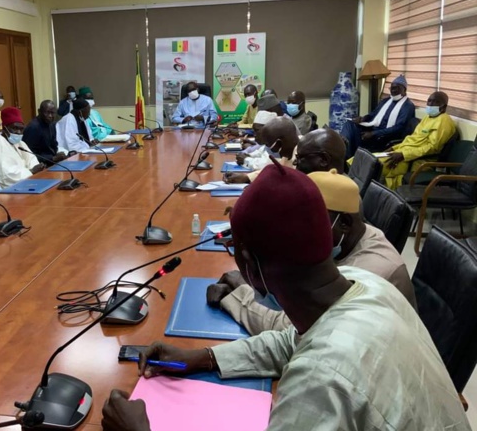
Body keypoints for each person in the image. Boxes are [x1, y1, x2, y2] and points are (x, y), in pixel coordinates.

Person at [102, 165, 468, 431]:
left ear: (248, 263)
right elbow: (292, 342)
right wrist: (203, 357)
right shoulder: (365, 285)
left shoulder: (319, 382)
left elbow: (317, 363)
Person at [208, 168, 417, 335]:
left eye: (313, 221)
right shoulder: (351, 238)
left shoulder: (372, 271)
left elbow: (289, 330)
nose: (303, 230)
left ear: (344, 222)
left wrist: (237, 293)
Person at [378, 90, 456, 189]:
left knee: (371, 166)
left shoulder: (444, 121)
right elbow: (413, 139)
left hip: (415, 160)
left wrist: (404, 155)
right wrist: (394, 147)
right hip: (402, 152)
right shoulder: (428, 117)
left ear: (444, 107)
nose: (431, 104)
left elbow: (432, 148)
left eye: (435, 102)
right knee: (364, 159)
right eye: (429, 101)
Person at [341, 74, 416, 158]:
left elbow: (398, 128)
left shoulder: (408, 106)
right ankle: (343, 147)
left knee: (351, 138)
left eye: (396, 88)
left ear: (404, 90)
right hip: (373, 130)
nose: (393, 91)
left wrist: (373, 133)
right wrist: (363, 118)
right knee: (350, 124)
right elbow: (373, 114)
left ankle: (345, 155)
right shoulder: (386, 101)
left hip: (385, 136)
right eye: (392, 88)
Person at [224, 116, 298, 184]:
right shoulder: (287, 149)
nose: (267, 148)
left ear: (278, 143)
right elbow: (276, 170)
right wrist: (247, 177)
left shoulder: (303, 153)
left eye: (268, 144)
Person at [0, 107, 45, 189]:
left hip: (26, 183)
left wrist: (37, 168)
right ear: (4, 128)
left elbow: (31, 159)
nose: (19, 132)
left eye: (21, 129)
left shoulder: (19, 142)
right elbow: (5, 176)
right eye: (15, 128)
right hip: (8, 190)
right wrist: (31, 171)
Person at [23, 100, 68, 164]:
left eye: (53, 113)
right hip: (40, 164)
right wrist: (52, 158)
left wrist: (58, 155)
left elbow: (54, 144)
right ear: (39, 111)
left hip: (52, 161)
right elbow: (29, 153)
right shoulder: (33, 127)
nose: (50, 116)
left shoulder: (52, 124)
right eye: (47, 112)